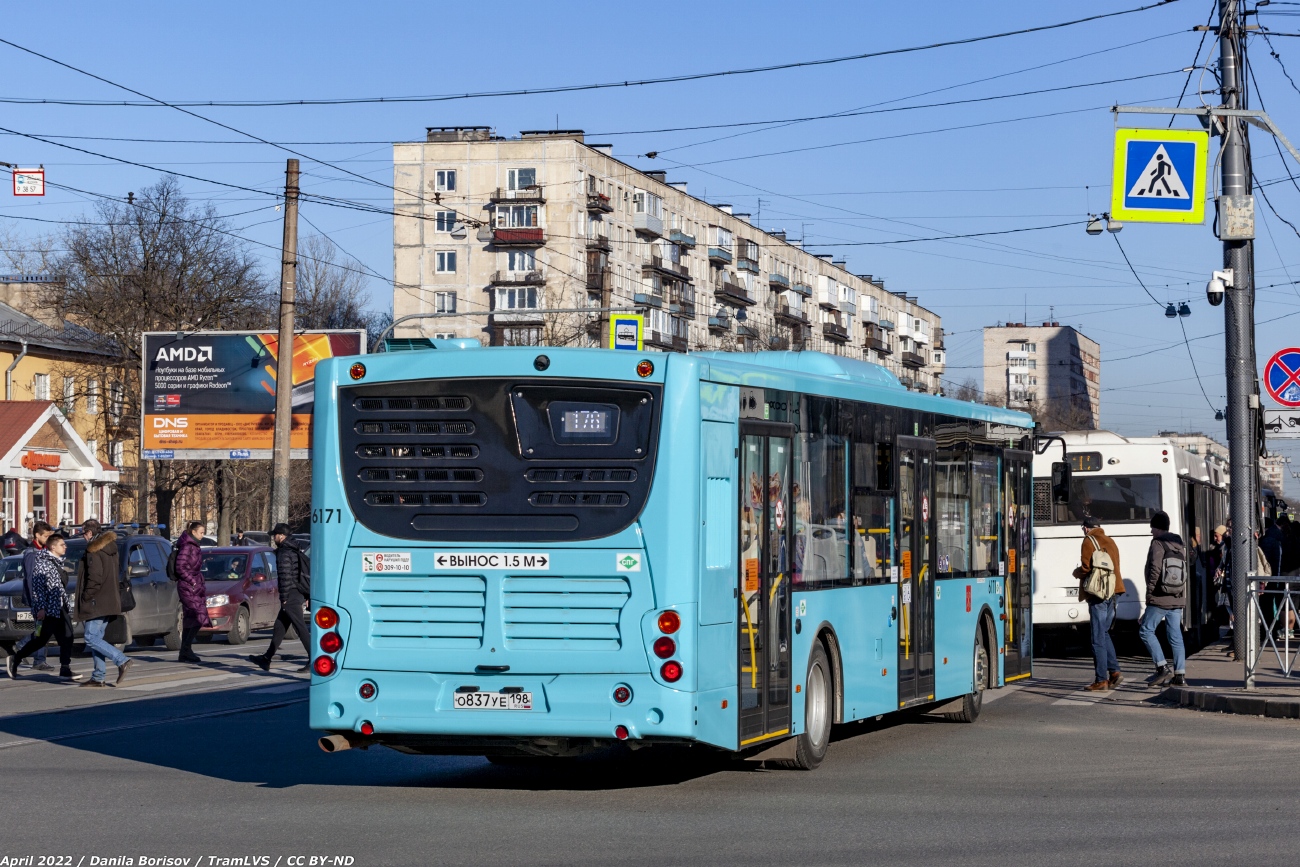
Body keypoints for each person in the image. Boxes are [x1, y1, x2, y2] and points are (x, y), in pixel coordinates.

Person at [5, 534, 79, 681]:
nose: (65, 547)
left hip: (59, 606)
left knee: (67, 637)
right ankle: (16, 658)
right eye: (62, 545)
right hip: (48, 608)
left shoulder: (55, 562)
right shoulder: (42, 562)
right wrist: (40, 608)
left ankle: (65, 668)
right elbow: (37, 588)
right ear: (53, 547)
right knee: (41, 639)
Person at [74, 520, 131, 687]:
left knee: (90, 637)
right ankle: (98, 676)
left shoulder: (93, 551)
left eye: (84, 533)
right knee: (97, 638)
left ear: (90, 534)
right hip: (109, 599)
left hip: (96, 601)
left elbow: (94, 579)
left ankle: (122, 660)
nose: (83, 537)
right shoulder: (111, 548)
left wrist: (85, 597)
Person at [248, 523, 311, 673]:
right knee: (280, 626)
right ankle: (266, 659)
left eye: (275, 535)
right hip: (297, 592)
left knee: (300, 627)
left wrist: (284, 598)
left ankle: (314, 659)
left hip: (291, 593)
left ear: (281, 536)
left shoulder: (284, 552)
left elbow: (285, 577)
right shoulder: (293, 549)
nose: (273, 538)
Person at [1073, 517, 1126, 691]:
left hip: (1098, 593)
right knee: (1104, 632)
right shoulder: (1110, 540)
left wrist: (1077, 572)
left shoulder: (1088, 540)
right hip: (1113, 590)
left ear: (1086, 528)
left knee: (1097, 636)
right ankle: (1115, 672)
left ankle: (1101, 679)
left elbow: (1087, 568)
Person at [1140, 510, 1188, 688]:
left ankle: (1161, 667)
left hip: (1161, 596)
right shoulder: (1178, 544)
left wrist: (1150, 595)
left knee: (1145, 630)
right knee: (1175, 635)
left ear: (1158, 527)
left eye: (1152, 527)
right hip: (1177, 595)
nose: (1151, 530)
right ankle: (1180, 675)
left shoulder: (1158, 543)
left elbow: (1155, 570)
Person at [15, 521, 54, 671]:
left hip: (45, 596)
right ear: (37, 536)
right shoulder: (32, 554)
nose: (48, 539)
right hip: (37, 597)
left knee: (43, 629)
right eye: (45, 536)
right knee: (41, 629)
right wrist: (37, 600)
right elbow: (31, 579)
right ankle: (38, 659)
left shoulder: (44, 551)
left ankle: (25, 646)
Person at [174, 520, 209, 664]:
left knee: (192, 618)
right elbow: (180, 567)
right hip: (188, 586)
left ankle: (185, 651)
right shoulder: (188, 546)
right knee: (198, 616)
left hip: (194, 586)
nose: (203, 535)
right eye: (201, 532)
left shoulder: (193, 546)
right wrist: (192, 581)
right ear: (193, 532)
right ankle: (186, 650)